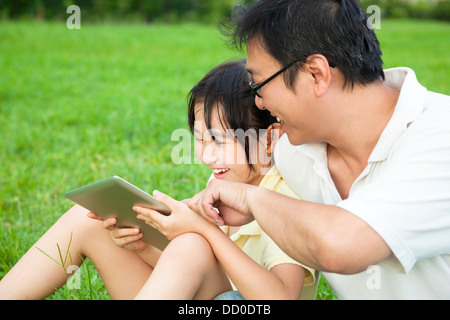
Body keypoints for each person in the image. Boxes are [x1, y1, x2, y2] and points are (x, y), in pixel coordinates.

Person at [186, 0, 450, 299]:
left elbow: (341, 245)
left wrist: (252, 199)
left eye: (258, 84)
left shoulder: (441, 136)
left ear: (316, 74)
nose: (259, 102)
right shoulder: (292, 152)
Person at [0, 59, 317, 300]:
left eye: (219, 141)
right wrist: (142, 246)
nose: (206, 156)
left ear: (268, 139)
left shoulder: (286, 197)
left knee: (193, 244)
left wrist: (205, 232)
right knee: (87, 220)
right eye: (200, 139)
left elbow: (280, 297)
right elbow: (187, 274)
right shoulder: (220, 185)